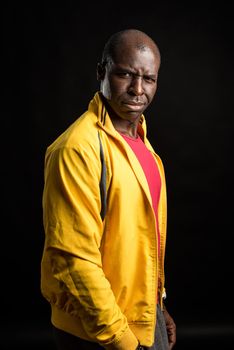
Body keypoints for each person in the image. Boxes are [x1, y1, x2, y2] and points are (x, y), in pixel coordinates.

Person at [40, 28, 176, 350]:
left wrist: (159, 306)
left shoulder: (143, 145)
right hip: (98, 333)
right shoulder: (77, 149)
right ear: (102, 72)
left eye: (149, 79)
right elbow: (75, 262)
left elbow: (142, 243)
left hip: (141, 319)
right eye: (126, 75)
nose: (137, 90)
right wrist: (124, 341)